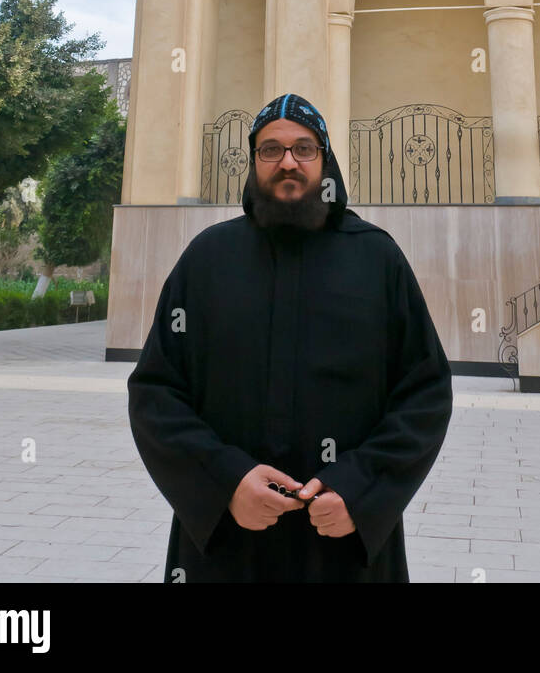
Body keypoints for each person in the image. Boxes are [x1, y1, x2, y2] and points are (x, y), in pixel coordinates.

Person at [127, 93, 453, 583]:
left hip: (343, 543)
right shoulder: (207, 259)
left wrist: (359, 491)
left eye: (303, 148)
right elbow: (155, 392)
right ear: (254, 162)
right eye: (270, 149)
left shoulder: (376, 259)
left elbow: (424, 392)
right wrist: (226, 481)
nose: (287, 162)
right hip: (229, 543)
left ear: (325, 161)